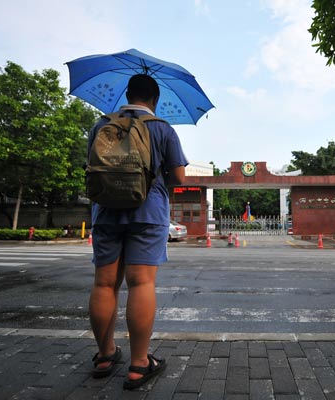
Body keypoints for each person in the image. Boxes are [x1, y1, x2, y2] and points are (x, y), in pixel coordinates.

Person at [87, 74, 188, 390]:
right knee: (141, 282)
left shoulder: (102, 124)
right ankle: (139, 363)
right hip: (147, 211)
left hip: (105, 211)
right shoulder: (162, 128)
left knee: (105, 284)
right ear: (155, 99)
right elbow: (180, 178)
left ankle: (105, 356)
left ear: (127, 94)